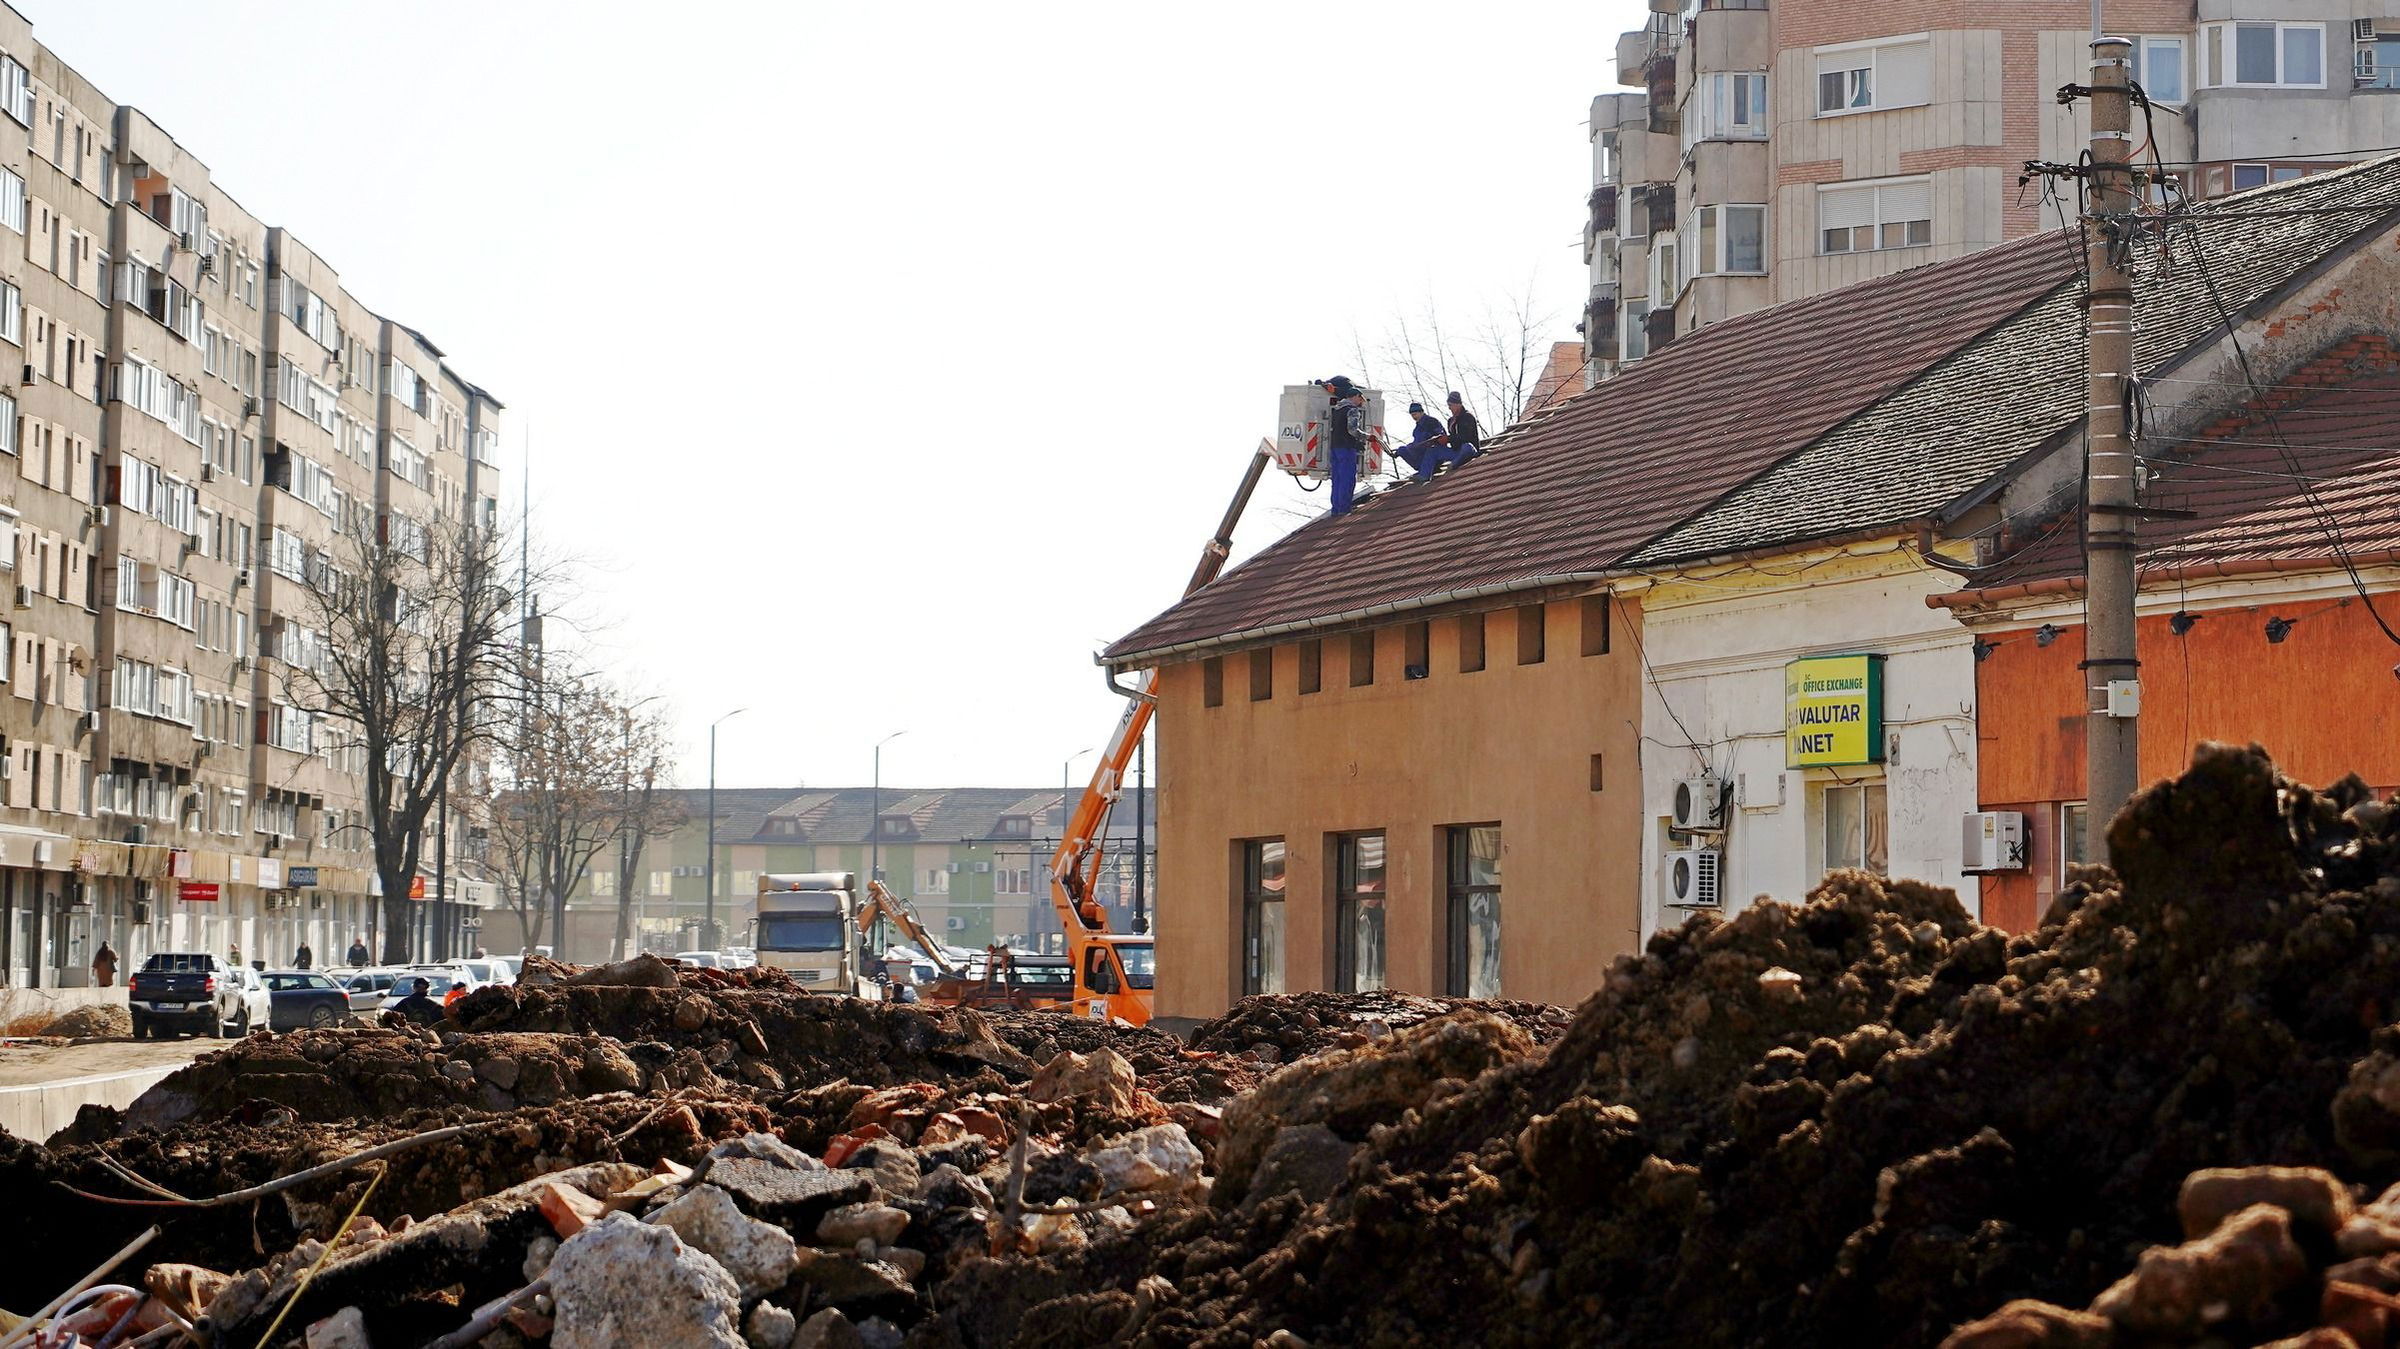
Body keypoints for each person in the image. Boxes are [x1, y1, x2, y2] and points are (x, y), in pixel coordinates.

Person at [1322, 378, 1369, 516]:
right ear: (1356, 396)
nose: (1360, 402)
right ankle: (1344, 508)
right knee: (1347, 479)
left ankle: (1336, 509)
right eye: (1360, 399)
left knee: (1336, 479)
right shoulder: (1352, 410)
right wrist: (1366, 437)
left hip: (1335, 448)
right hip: (1347, 448)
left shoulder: (1337, 410)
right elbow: (1352, 430)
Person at [1445, 391, 1483, 464]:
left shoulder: (1468, 417)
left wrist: (1449, 439)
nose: (1449, 408)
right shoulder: (1450, 421)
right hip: (1456, 451)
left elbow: (1466, 438)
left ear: (1458, 404)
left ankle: (1454, 464)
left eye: (1450, 405)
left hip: (1469, 450)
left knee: (1466, 446)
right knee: (1435, 451)